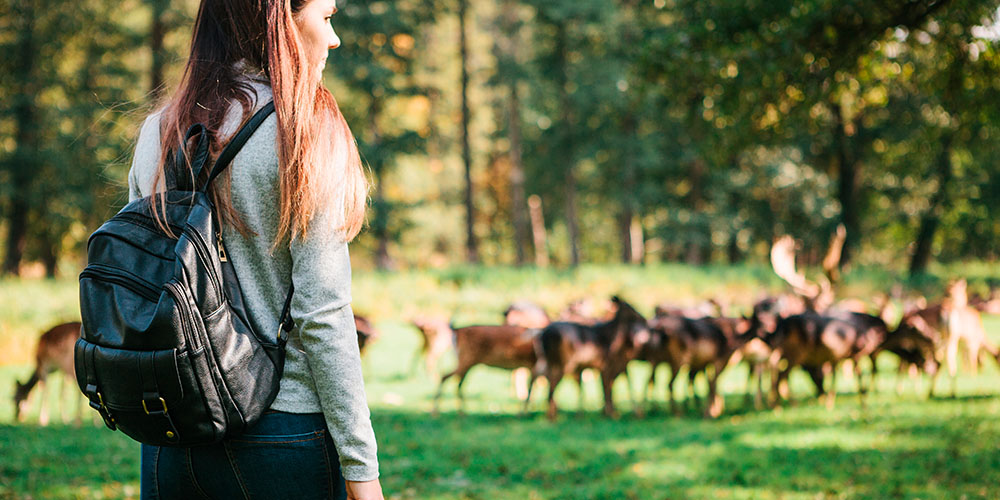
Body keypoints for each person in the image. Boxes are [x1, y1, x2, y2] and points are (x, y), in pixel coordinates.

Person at [127, 0, 383, 498]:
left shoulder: (161, 130)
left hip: (173, 435)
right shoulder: (304, 130)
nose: (334, 39)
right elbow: (323, 312)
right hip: (281, 432)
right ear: (281, 18)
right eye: (327, 17)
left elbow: (144, 281)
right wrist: (363, 473)